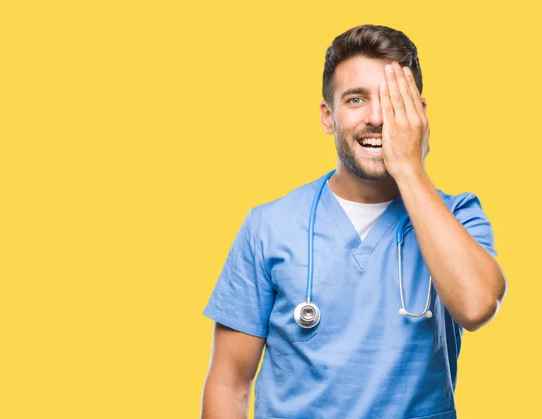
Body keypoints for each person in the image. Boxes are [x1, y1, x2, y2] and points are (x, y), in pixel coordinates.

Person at [200, 24, 507, 419]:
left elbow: (478, 305)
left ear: (420, 116)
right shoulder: (268, 226)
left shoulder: (460, 215)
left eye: (394, 101)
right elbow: (229, 383)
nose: (377, 118)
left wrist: (409, 168)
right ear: (328, 116)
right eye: (357, 99)